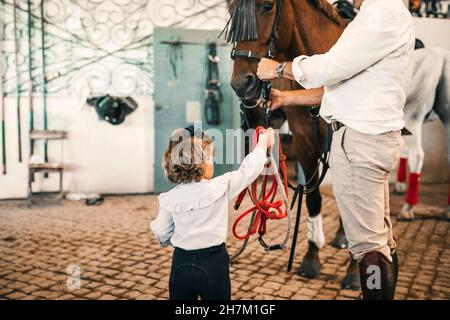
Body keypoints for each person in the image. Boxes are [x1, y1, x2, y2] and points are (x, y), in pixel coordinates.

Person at [256, 0, 415, 299]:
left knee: (369, 249)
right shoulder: (376, 13)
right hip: (364, 141)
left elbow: (331, 68)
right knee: (381, 242)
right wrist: (286, 99)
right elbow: (342, 86)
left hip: (361, 143)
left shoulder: (382, 10)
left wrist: (278, 68)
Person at [150, 125, 274, 300]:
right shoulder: (220, 187)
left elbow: (161, 231)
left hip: (181, 263)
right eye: (211, 158)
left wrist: (171, 241)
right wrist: (262, 144)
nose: (212, 162)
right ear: (201, 163)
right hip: (213, 264)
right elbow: (248, 170)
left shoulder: (169, 198)